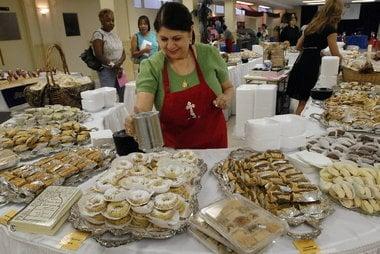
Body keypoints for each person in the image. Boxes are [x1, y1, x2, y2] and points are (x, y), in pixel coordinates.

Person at [125, 2, 234, 149]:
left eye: (176, 38)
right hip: (176, 157)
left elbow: (228, 88)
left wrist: (226, 98)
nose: (170, 46)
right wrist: (135, 119)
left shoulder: (209, 54)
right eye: (163, 39)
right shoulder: (152, 66)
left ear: (190, 33)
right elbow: (142, 109)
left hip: (214, 145)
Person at [286, 0, 343, 115]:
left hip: (301, 61)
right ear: (336, 13)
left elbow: (298, 46)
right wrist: (344, 61)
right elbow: (336, 54)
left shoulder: (311, 26)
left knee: (302, 101)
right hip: (311, 65)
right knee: (304, 102)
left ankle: (295, 124)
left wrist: (314, 50)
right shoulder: (330, 29)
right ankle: (295, 126)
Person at [92, 9, 126, 102]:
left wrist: (119, 64)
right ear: (101, 21)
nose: (111, 23)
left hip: (120, 69)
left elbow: (123, 52)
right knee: (109, 97)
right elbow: (99, 55)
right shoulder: (98, 34)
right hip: (106, 71)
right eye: (108, 21)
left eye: (113, 20)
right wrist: (113, 65)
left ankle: (123, 114)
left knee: (124, 93)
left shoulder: (115, 35)